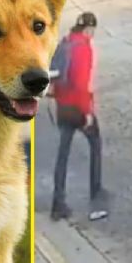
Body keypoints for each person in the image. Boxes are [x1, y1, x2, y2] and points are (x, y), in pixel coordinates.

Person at [50, 12, 108, 221]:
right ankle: (96, 197)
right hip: (77, 108)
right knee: (95, 145)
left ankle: (58, 203)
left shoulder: (65, 43)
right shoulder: (83, 48)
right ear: (88, 29)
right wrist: (88, 113)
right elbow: (81, 85)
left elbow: (56, 75)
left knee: (62, 155)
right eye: (92, 31)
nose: (92, 35)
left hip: (62, 107)